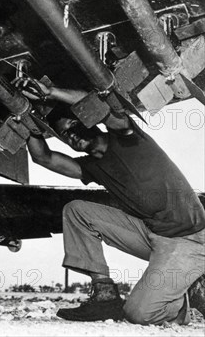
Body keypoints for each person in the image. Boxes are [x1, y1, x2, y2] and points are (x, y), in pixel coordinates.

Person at [19, 79, 205, 325]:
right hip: (153, 234)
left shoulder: (127, 138)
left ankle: (189, 288)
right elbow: (45, 158)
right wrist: (23, 117)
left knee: (138, 314)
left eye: (74, 126)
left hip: (190, 241)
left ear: (89, 121)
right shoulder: (93, 167)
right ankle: (105, 295)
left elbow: (103, 109)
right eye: (65, 134)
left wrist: (52, 92)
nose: (71, 136)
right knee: (77, 211)